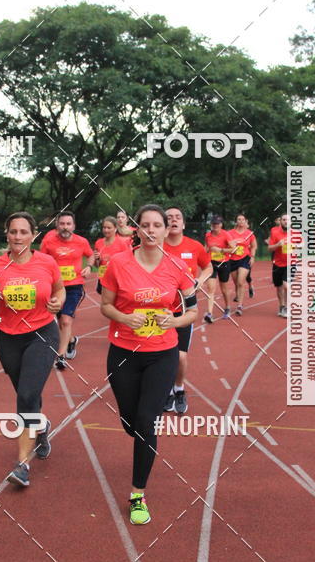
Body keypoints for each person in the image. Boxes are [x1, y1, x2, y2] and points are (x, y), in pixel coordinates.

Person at [100, 204, 198, 525]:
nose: (153, 230)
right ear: (137, 230)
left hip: (162, 353)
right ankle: (137, 427)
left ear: (166, 230)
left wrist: (175, 320)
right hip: (123, 354)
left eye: (158, 225)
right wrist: (126, 317)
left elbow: (194, 311)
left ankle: (137, 495)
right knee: (131, 423)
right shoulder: (118, 263)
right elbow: (105, 305)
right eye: (146, 225)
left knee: (146, 423)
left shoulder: (177, 267)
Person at [0, 212, 65, 487]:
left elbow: (60, 290)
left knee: (27, 395)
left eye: (23, 232)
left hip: (42, 333)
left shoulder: (47, 263)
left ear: (33, 235)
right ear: (7, 234)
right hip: (8, 338)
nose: (18, 237)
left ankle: (22, 465)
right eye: (13, 232)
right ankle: (41, 427)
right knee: (26, 394)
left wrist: (58, 303)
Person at [163, 206, 212, 413]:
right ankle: (166, 392)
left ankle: (179, 389)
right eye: (169, 218)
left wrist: (200, 280)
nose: (173, 220)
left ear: (183, 224)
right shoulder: (156, 247)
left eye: (178, 217)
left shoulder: (194, 246)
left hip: (184, 308)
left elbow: (208, 267)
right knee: (163, 355)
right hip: (159, 308)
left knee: (180, 356)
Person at [40, 211, 94, 369]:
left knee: (65, 320)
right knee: (61, 322)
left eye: (68, 224)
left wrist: (89, 266)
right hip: (55, 288)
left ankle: (60, 356)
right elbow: (40, 261)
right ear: (57, 225)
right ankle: (71, 341)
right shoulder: (48, 241)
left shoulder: (81, 242)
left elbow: (91, 255)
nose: (65, 227)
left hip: (74, 287)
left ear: (74, 226)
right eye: (62, 224)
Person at [203, 215, 235, 322]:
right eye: (213, 224)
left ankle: (227, 307)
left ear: (221, 224)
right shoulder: (208, 235)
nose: (215, 226)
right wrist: (204, 255)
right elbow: (206, 248)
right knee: (211, 289)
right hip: (212, 263)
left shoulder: (226, 235)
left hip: (224, 264)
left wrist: (221, 250)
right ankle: (209, 313)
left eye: (217, 224)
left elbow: (233, 250)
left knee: (224, 289)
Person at [226, 213, 257, 316]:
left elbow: (253, 246)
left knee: (240, 282)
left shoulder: (249, 233)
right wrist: (233, 242)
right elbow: (225, 244)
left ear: (245, 221)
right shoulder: (230, 233)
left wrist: (252, 257)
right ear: (236, 221)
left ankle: (239, 306)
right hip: (232, 259)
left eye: (242, 219)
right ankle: (239, 296)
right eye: (238, 219)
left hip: (245, 258)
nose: (240, 221)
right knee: (236, 283)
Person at [93, 216, 131, 294]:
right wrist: (97, 259)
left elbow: (128, 263)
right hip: (103, 278)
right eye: (104, 227)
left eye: (109, 228)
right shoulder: (98, 243)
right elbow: (97, 265)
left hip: (117, 279)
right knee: (105, 303)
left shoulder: (122, 244)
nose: (106, 230)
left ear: (115, 228)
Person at [267, 213, 292, 318]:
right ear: (280, 221)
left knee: (286, 285)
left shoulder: (295, 233)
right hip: (277, 262)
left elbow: (303, 245)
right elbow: (269, 248)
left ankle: (287, 307)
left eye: (288, 220)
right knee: (279, 287)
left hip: (291, 263)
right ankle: (281, 306)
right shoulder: (274, 231)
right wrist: (278, 245)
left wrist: (296, 246)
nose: (286, 221)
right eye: (284, 220)